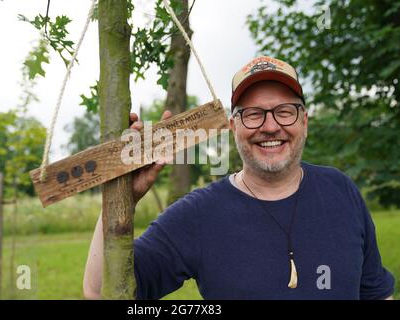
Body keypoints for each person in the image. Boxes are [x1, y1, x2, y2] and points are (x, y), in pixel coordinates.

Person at [83, 56, 395, 300]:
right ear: (234, 127)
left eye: (285, 111)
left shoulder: (341, 191)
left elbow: (376, 293)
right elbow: (101, 292)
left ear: (304, 121)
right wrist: (120, 196)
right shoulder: (199, 215)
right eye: (253, 113)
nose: (270, 126)